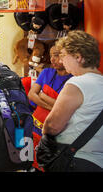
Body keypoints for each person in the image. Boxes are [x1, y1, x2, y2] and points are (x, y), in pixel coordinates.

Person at [42, 30, 103, 172]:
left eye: (63, 55)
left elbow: (53, 125)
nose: (61, 60)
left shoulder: (77, 83)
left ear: (78, 57)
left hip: (75, 160)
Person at [28, 44, 72, 171]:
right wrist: (54, 105)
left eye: (57, 55)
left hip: (56, 133)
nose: (53, 59)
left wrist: (43, 96)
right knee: (32, 162)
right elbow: (31, 95)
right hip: (35, 128)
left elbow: (66, 108)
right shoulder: (47, 72)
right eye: (52, 55)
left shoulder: (73, 80)